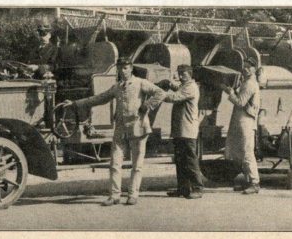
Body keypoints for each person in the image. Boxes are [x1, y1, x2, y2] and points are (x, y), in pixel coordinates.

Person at [61, 57, 166, 206]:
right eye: (120, 68)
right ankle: (114, 196)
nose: (122, 71)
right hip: (120, 128)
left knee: (137, 165)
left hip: (139, 127)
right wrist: (75, 104)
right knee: (115, 163)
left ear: (130, 68)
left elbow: (160, 93)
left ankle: (133, 194)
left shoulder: (141, 83)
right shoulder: (117, 87)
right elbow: (99, 98)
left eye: (125, 68)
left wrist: (148, 105)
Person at [163, 64, 204, 199]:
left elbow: (175, 97)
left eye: (183, 74)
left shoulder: (191, 87)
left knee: (190, 160)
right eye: (179, 73)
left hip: (187, 130)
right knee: (180, 160)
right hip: (181, 130)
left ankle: (197, 188)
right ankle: (183, 188)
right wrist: (169, 83)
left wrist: (158, 93)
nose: (180, 76)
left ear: (190, 74)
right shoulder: (185, 85)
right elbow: (178, 88)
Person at [222, 60, 261, 194]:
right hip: (241, 121)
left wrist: (230, 92)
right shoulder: (247, 82)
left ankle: (255, 183)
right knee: (241, 152)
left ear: (254, 69)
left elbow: (240, 102)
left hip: (246, 121)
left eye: (248, 67)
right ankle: (248, 180)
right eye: (243, 67)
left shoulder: (250, 84)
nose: (245, 69)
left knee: (247, 152)